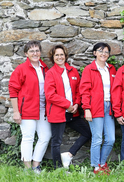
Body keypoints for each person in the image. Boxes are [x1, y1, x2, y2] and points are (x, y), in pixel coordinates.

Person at [45, 45, 92, 169]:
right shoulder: (50, 73)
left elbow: (78, 90)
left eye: (62, 54)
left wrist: (76, 104)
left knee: (87, 133)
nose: (60, 57)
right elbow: (50, 95)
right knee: (56, 142)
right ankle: (58, 169)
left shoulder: (73, 71)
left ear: (65, 56)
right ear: (52, 57)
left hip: (73, 112)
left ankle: (69, 154)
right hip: (57, 112)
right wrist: (67, 105)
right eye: (57, 55)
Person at [8, 40, 51, 174]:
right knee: (28, 137)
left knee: (45, 136)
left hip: (42, 109)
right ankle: (27, 168)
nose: (35, 53)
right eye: (31, 51)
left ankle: (35, 165)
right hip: (26, 109)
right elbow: (13, 90)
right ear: (26, 54)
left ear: (40, 52)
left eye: (37, 50)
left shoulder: (44, 68)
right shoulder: (21, 69)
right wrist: (16, 111)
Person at [80, 43, 116, 174]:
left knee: (111, 138)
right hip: (95, 107)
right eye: (100, 51)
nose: (103, 53)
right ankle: (96, 167)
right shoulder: (89, 69)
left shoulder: (111, 69)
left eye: (106, 51)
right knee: (97, 138)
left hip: (108, 107)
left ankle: (102, 163)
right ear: (95, 53)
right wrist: (87, 108)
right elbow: (84, 91)